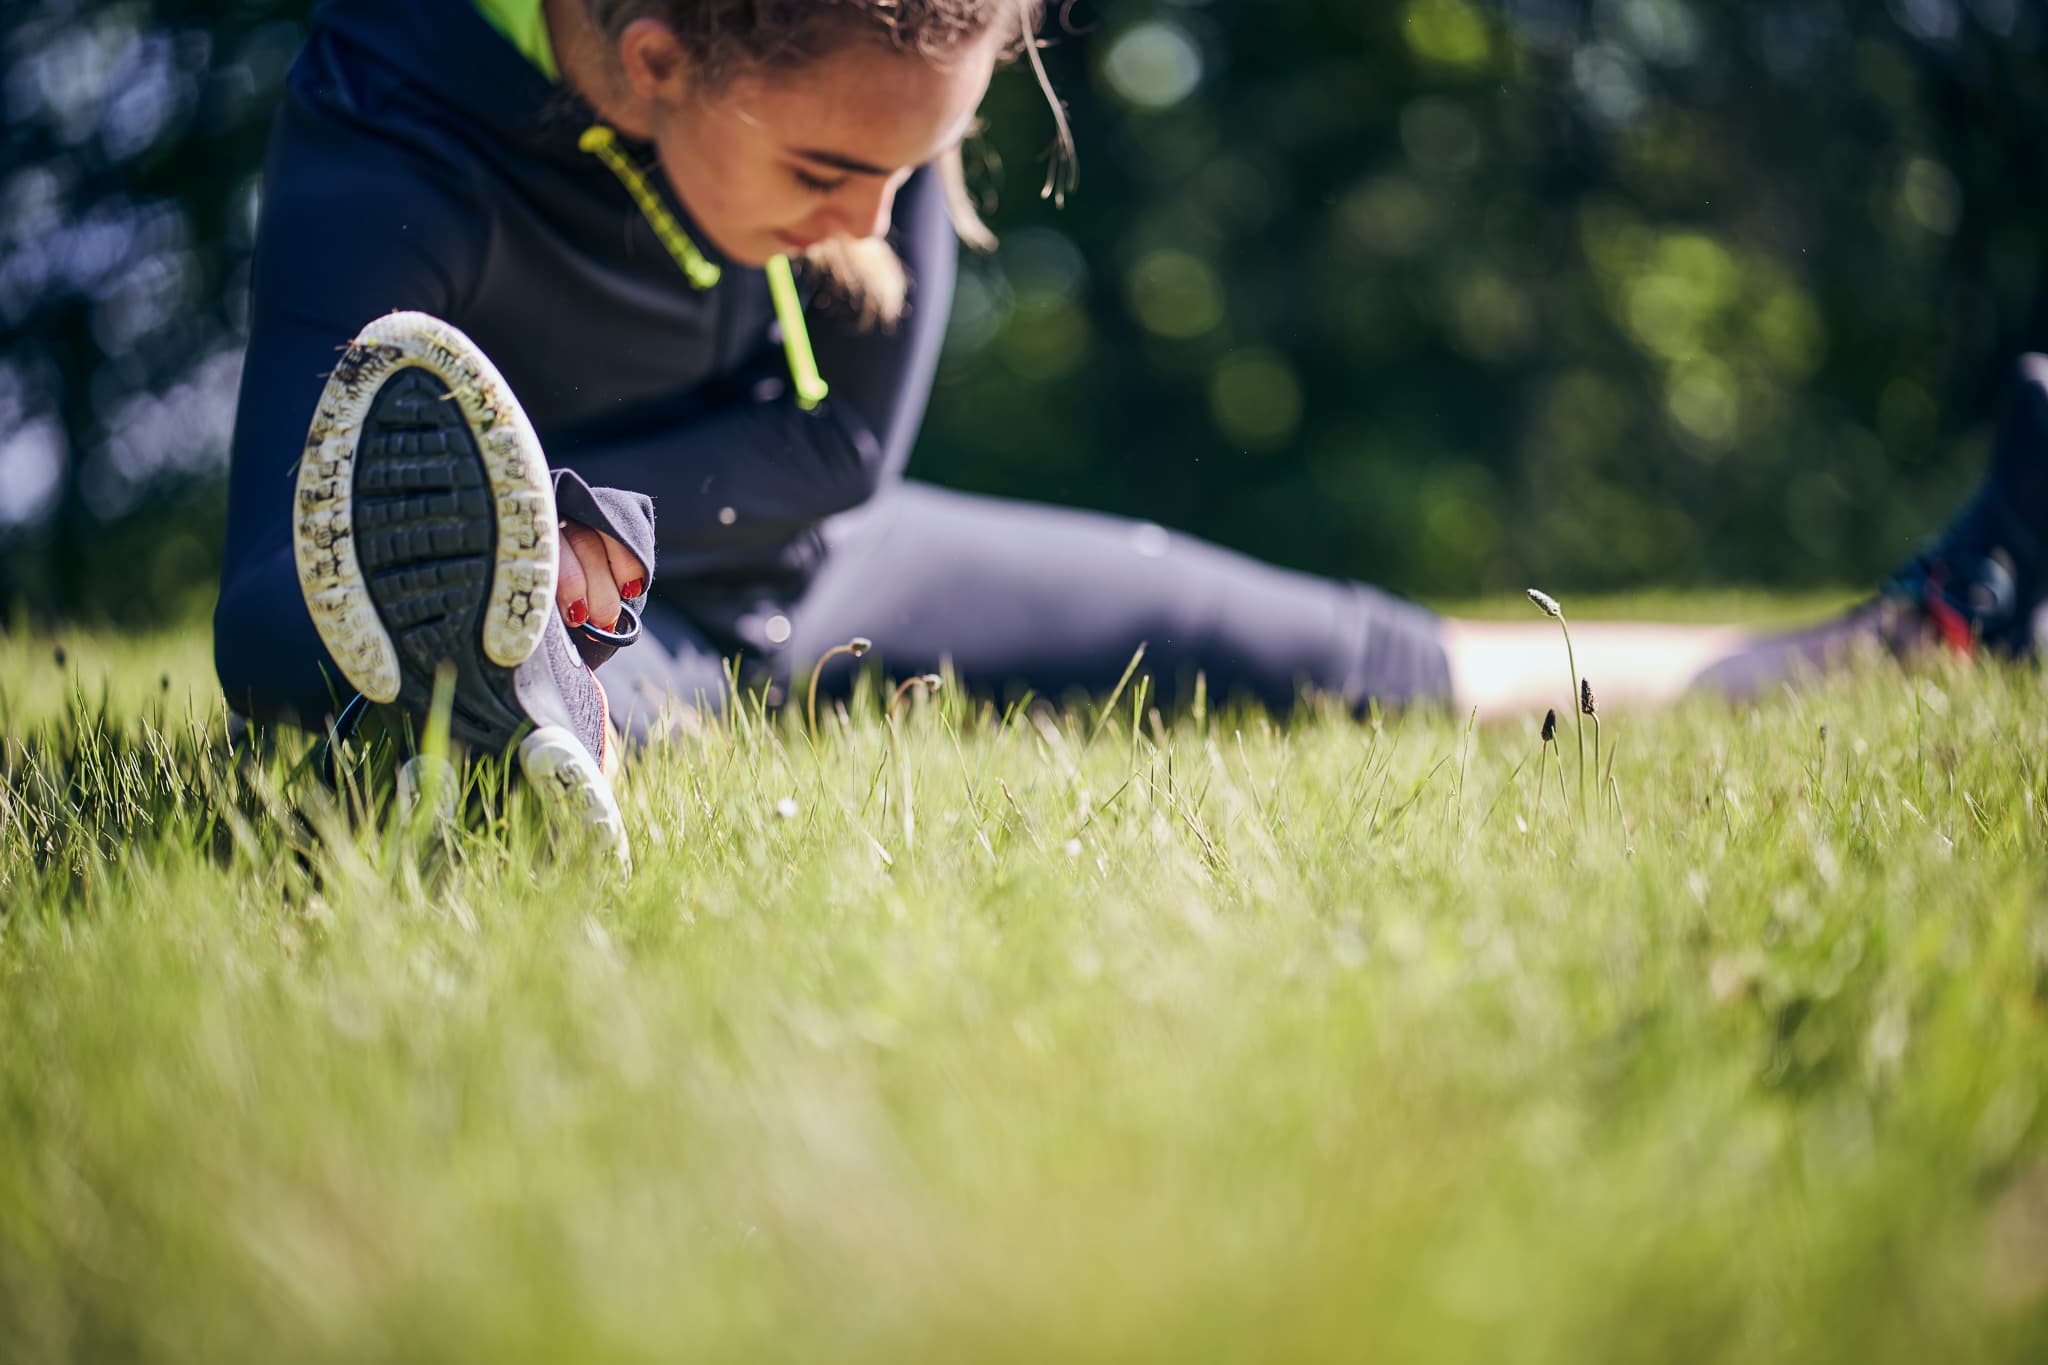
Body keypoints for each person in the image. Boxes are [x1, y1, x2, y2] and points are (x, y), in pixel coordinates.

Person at [214, 0, 2048, 870]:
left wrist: (581, 514)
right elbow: (276, 597)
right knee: (606, 670)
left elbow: (848, 459)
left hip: (801, 544)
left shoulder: (894, 48)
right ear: (652, 49)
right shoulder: (394, 108)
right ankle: (526, 717)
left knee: (1343, 649)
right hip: (616, 605)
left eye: (915, 170)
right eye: (835, 172)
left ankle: (1914, 632)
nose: (877, 228)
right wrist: (551, 573)